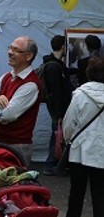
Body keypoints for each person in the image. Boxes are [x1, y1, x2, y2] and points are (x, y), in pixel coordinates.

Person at [0, 36, 41, 164]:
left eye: (16, 50)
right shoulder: (6, 77)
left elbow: (6, 116)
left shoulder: (31, 84)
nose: (10, 52)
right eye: (10, 48)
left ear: (28, 56)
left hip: (16, 147)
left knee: (12, 183)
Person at [63, 56, 104, 217]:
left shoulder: (80, 94)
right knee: (100, 195)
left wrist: (68, 140)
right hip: (101, 152)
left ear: (88, 72)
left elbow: (69, 123)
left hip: (79, 150)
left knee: (76, 194)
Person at [40, 35, 72, 175]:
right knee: (57, 136)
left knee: (57, 136)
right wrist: (59, 113)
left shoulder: (54, 64)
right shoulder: (54, 67)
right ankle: (51, 165)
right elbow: (58, 92)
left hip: (55, 108)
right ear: (63, 47)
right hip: (57, 109)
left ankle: (54, 164)